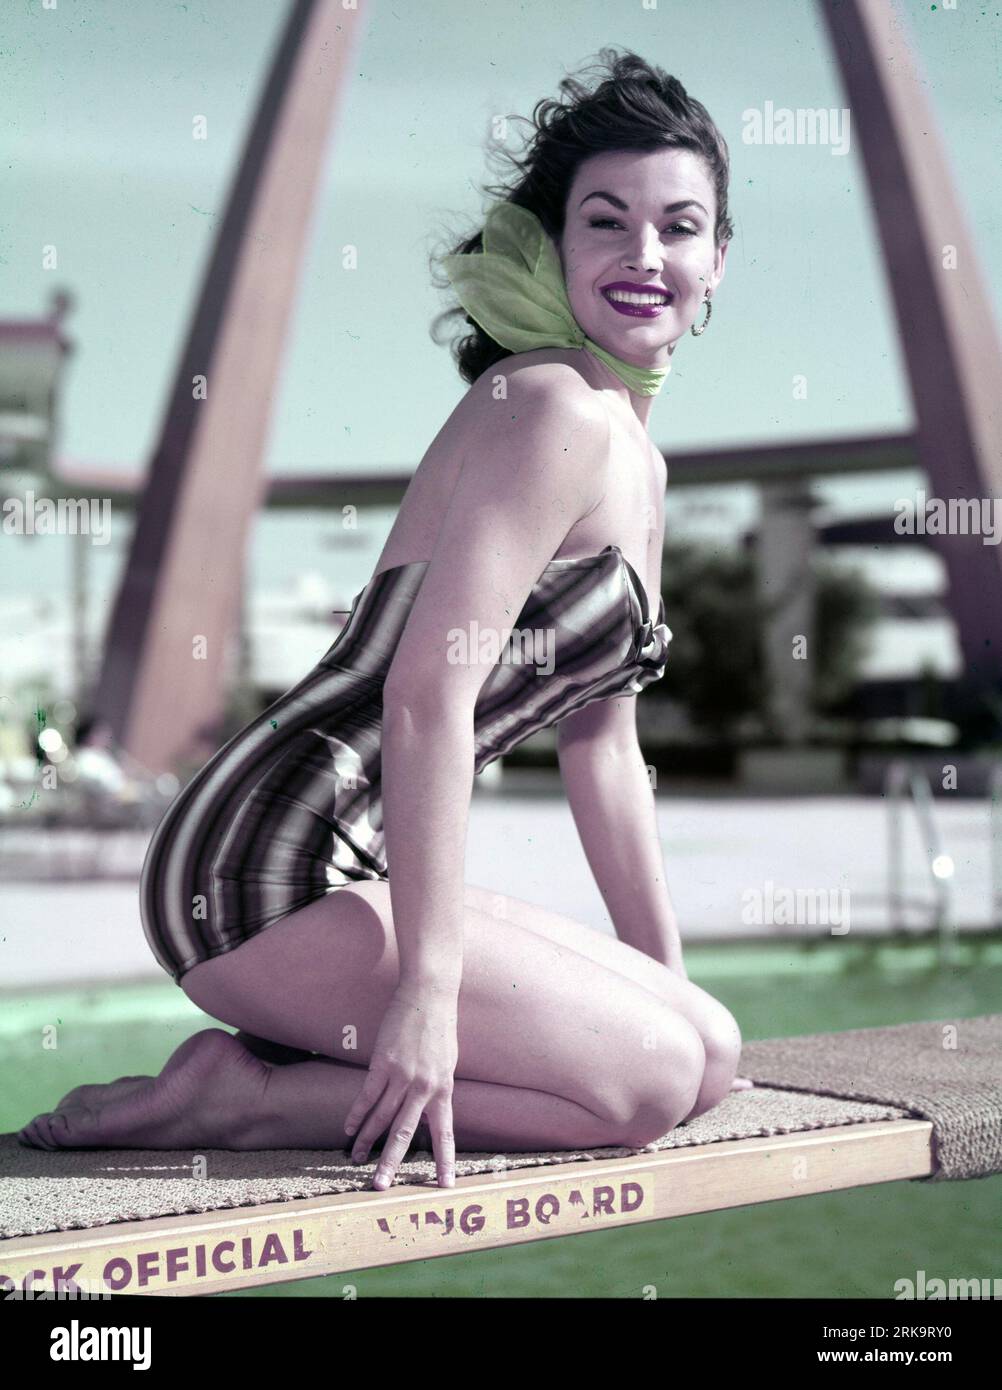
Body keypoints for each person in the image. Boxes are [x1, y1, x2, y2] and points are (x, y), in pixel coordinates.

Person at [19, 48, 752, 1189]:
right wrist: (429, 994)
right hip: (264, 858)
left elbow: (605, 751)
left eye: (679, 226)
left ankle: (284, 1070)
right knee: (646, 1087)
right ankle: (248, 1100)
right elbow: (426, 699)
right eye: (606, 222)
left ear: (720, 260)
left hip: (360, 866)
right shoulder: (550, 404)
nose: (645, 256)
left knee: (702, 1053)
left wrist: (674, 988)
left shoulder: (633, 454)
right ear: (556, 245)